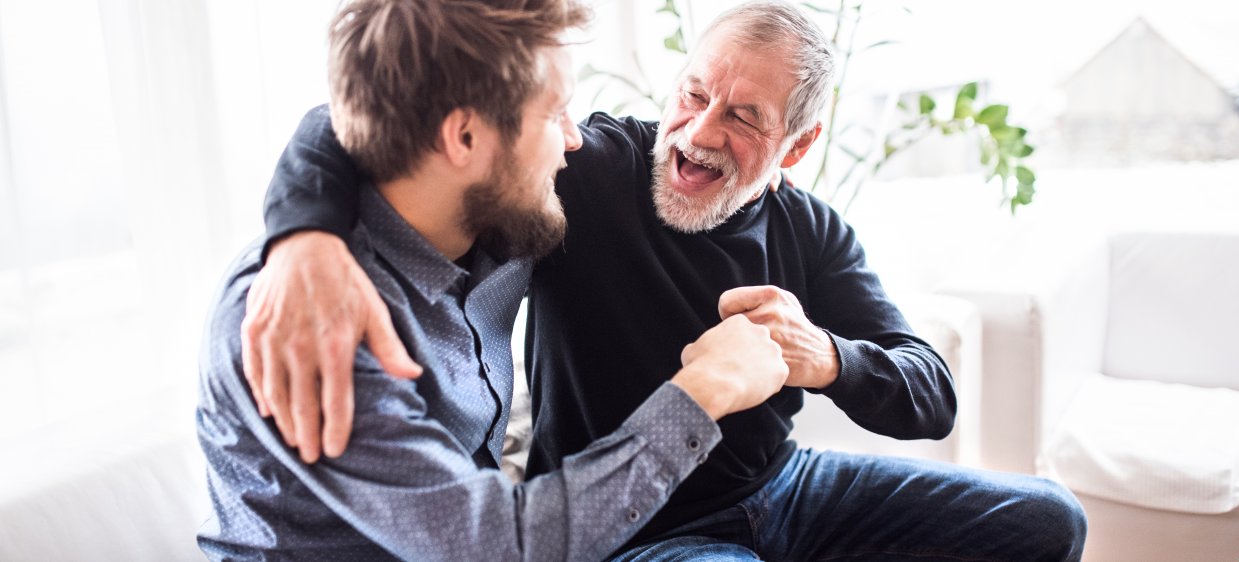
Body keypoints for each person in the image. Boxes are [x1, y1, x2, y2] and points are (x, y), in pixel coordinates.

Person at [247, 1, 1089, 560]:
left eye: (744, 117)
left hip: (784, 489)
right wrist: (302, 237)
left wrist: (823, 356)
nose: (699, 131)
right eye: (694, 94)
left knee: (1053, 522)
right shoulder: (588, 167)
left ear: (795, 148)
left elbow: (931, 395)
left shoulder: (811, 229)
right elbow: (366, 115)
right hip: (635, 525)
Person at [196, 0, 794, 559]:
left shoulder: (496, 217)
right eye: (554, 111)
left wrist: (304, 229)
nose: (573, 138)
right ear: (464, 137)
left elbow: (343, 118)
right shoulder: (316, 320)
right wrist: (705, 391)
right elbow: (496, 546)